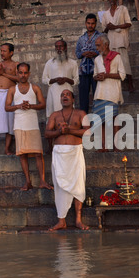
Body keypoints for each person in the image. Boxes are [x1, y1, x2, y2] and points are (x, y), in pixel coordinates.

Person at [44, 89, 90, 231]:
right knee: (59, 187)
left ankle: (78, 220)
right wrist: (59, 132)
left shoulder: (81, 114)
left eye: (67, 95)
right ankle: (61, 221)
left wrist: (70, 130)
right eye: (62, 95)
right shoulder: (54, 115)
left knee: (78, 186)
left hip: (75, 152)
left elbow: (88, 131)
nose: (64, 97)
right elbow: (47, 133)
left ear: (73, 99)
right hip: (59, 154)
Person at [5, 62, 53, 191]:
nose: (23, 75)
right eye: (20, 72)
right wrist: (19, 106)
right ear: (17, 73)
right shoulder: (12, 89)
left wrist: (30, 106)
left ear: (29, 74)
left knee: (38, 154)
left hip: (32, 125)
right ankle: (28, 182)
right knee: (22, 155)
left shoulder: (35, 88)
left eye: (25, 72)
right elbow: (7, 107)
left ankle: (42, 181)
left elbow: (43, 104)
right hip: (19, 125)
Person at [93, 34, 126, 152]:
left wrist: (107, 75)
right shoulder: (97, 59)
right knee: (101, 119)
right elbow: (94, 75)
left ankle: (116, 144)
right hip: (100, 92)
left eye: (98, 45)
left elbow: (122, 75)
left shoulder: (116, 57)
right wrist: (98, 76)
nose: (96, 48)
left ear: (106, 45)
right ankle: (104, 145)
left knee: (114, 118)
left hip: (113, 92)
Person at [102, 0, 134, 92]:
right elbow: (104, 30)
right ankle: (114, 86)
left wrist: (115, 26)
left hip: (121, 41)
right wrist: (108, 27)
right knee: (113, 65)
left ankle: (130, 85)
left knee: (125, 63)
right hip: (111, 43)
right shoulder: (105, 14)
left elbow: (128, 23)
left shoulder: (123, 9)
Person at [42, 39, 79, 120]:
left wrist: (66, 79)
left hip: (68, 92)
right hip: (53, 93)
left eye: (61, 46)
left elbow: (76, 80)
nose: (59, 49)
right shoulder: (49, 63)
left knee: (69, 117)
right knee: (53, 117)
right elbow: (44, 79)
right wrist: (55, 80)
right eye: (57, 47)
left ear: (65, 48)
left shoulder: (73, 63)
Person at [76, 14, 101, 114]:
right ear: (85, 23)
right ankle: (84, 121)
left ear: (95, 24)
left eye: (92, 23)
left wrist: (96, 53)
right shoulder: (81, 38)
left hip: (96, 71)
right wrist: (83, 54)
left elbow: (105, 51)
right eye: (88, 23)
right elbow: (77, 54)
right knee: (83, 99)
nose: (90, 25)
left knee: (97, 97)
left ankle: (98, 119)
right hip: (83, 71)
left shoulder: (101, 37)